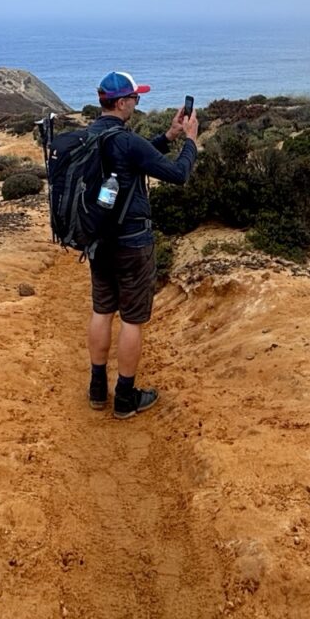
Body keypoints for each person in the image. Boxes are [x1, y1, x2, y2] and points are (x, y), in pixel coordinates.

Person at [85, 70, 199, 419]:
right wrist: (191, 141)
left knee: (102, 310)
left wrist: (169, 135)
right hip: (133, 243)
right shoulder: (126, 141)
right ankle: (124, 398)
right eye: (135, 98)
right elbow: (178, 174)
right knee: (132, 319)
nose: (137, 102)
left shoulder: (89, 136)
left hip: (98, 240)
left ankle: (96, 388)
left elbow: (135, 158)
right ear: (121, 102)